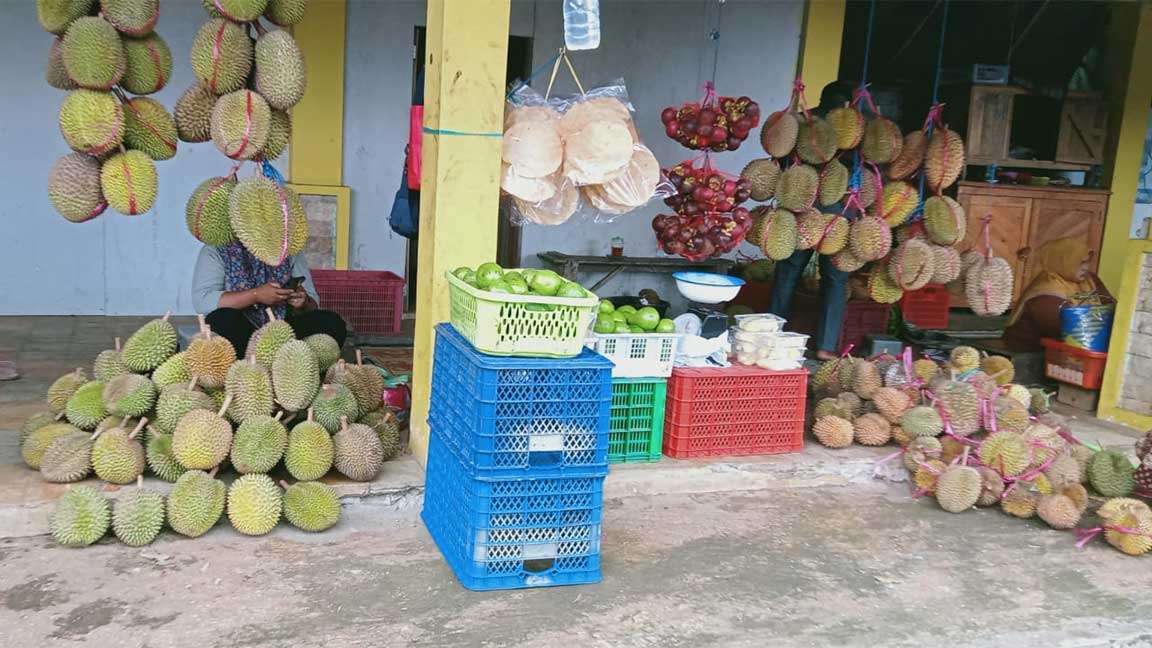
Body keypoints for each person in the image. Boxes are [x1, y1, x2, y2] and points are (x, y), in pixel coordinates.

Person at [768, 81, 857, 361]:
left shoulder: (798, 122)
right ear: (848, 105)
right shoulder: (851, 129)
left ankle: (772, 333)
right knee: (835, 278)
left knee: (788, 272)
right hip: (836, 212)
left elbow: (779, 159)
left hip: (800, 207)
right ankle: (826, 345)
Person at [192, 242, 348, 358]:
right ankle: (246, 375)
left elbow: (313, 302)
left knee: (331, 322)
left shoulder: (290, 250)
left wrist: (303, 302)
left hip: (285, 333)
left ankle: (301, 374)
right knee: (220, 320)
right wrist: (256, 295)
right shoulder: (215, 250)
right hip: (242, 333)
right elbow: (203, 301)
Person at [1003, 237, 1113, 351]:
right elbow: (1069, 330)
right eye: (1080, 263)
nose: (1086, 267)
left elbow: (1110, 305)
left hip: (1074, 347)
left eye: (1088, 262)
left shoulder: (1089, 280)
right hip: (1028, 352)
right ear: (1062, 262)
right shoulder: (1045, 293)